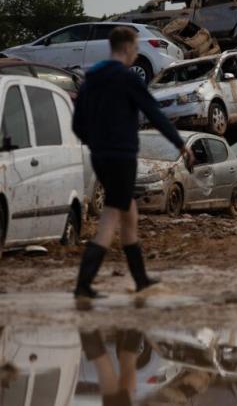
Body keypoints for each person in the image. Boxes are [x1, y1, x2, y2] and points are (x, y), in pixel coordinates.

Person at [72, 26, 195, 298]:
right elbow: (156, 114)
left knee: (129, 215)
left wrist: (96, 143)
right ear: (127, 48)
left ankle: (141, 281)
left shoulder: (90, 81)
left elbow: (77, 124)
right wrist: (180, 144)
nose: (136, 54)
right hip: (123, 157)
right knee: (110, 218)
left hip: (100, 157)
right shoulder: (127, 80)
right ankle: (83, 284)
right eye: (137, 49)